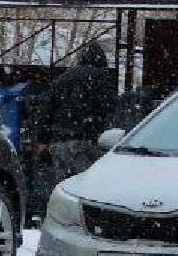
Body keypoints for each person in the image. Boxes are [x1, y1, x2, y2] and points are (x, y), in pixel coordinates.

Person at [38, 43, 118, 182]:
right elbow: (110, 108)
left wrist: (43, 141)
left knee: (65, 187)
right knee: (87, 186)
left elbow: (46, 112)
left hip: (60, 142)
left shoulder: (62, 79)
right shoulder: (101, 77)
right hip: (87, 141)